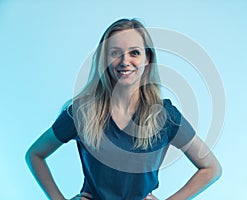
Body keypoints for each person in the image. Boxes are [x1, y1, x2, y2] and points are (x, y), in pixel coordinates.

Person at [25, 18, 222, 200]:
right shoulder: (81, 112)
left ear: (147, 58)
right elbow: (35, 154)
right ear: (104, 59)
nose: (124, 61)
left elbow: (211, 168)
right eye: (115, 53)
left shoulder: (165, 115)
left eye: (134, 52)